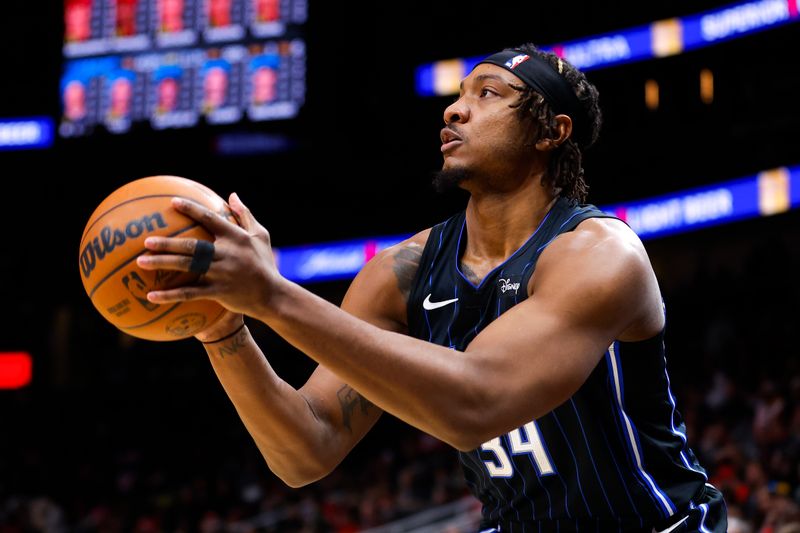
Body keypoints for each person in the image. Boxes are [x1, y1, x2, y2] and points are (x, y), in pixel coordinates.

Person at [136, 43, 728, 532]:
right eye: (457, 95)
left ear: (553, 130)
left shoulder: (599, 254)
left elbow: (477, 405)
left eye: (487, 94)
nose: (454, 110)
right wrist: (224, 331)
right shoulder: (403, 273)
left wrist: (271, 295)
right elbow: (305, 451)